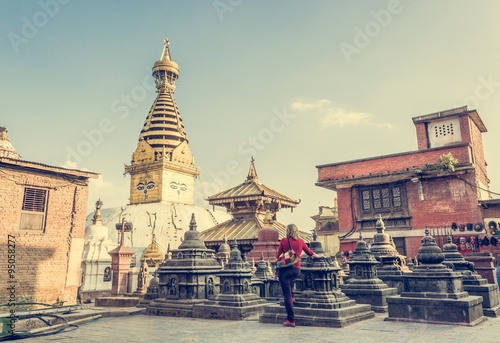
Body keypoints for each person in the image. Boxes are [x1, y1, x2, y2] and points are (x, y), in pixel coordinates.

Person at [276, 224, 323, 327]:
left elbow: (277, 255)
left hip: (285, 270)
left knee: (286, 295)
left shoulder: (284, 241)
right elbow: (309, 252)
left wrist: (285, 255)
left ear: (287, 231)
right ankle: (292, 296)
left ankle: (291, 320)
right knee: (290, 283)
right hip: (296, 270)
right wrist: (317, 256)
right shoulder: (301, 241)